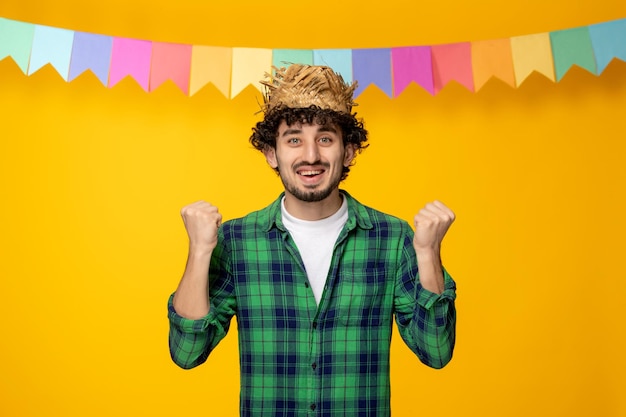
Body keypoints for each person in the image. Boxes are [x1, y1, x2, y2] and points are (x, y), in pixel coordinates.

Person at [167, 64, 457, 417]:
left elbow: (437, 351)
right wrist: (199, 251)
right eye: (293, 139)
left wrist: (427, 252)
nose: (310, 156)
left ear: (348, 151)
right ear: (271, 153)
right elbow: (187, 352)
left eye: (325, 138)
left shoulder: (393, 239)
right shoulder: (236, 240)